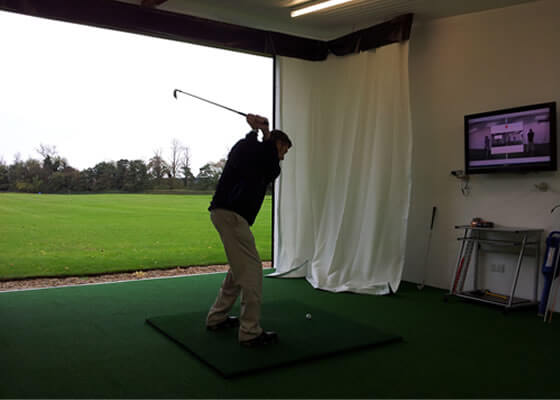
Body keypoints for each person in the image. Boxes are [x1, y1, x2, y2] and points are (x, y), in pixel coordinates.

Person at [205, 113, 292, 347]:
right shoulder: (249, 148)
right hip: (232, 215)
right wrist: (262, 133)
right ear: (278, 144)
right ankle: (250, 332)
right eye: (283, 150)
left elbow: (271, 168)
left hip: (226, 214)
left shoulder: (257, 155)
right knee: (252, 270)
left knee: (238, 269)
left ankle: (217, 317)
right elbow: (263, 159)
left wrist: (261, 133)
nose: (283, 156)